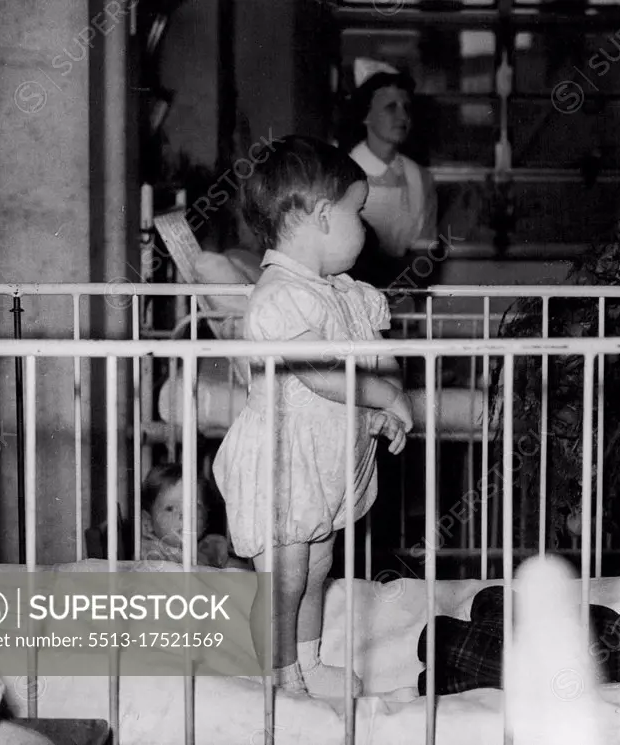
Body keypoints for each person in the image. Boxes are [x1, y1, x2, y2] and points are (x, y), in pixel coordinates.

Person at [212, 135, 413, 698]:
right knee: (286, 577)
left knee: (318, 568)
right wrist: (380, 394)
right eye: (358, 213)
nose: (365, 228)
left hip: (321, 464)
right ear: (322, 217)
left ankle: (305, 661)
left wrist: (380, 409)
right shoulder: (280, 297)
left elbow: (375, 367)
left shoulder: (345, 295)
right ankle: (277, 677)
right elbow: (317, 371)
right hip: (282, 462)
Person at [345, 58, 438, 290]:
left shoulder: (421, 179)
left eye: (406, 107)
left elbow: (423, 256)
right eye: (390, 107)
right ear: (365, 115)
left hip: (403, 301)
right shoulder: (339, 173)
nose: (403, 116)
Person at [139, 463, 251, 570]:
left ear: (206, 516)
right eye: (170, 509)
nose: (184, 515)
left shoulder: (209, 550)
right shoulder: (150, 553)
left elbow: (242, 573)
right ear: (148, 522)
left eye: (193, 507)